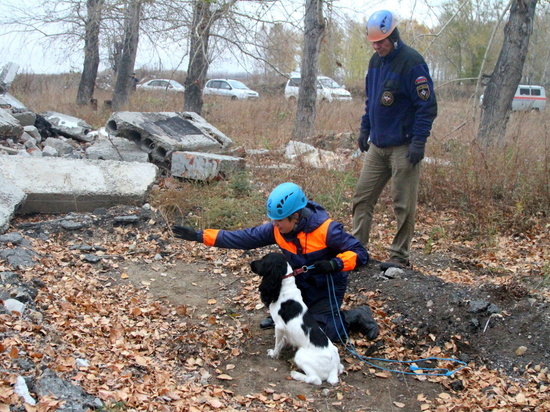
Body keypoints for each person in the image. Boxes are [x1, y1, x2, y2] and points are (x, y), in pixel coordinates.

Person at [172, 182, 379, 342]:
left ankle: (356, 316)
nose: (275, 225)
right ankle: (282, 315)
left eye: (279, 221)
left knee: (319, 335)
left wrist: (336, 264)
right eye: (273, 220)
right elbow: (242, 238)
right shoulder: (277, 229)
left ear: (295, 217)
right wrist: (200, 236)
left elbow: (360, 253)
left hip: (325, 288)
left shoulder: (327, 230)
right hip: (297, 284)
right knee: (287, 314)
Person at [352, 10, 438, 270]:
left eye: (381, 42)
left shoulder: (412, 62)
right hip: (378, 146)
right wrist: (365, 129)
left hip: (404, 146)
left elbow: (427, 106)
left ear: (393, 36)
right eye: (374, 42)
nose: (377, 47)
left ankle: (399, 256)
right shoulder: (374, 62)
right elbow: (372, 102)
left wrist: (419, 142)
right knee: (362, 198)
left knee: (403, 205)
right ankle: (356, 250)